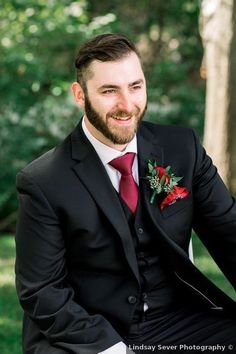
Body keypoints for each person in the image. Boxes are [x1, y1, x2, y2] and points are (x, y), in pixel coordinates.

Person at [15, 33, 236, 354]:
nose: (126, 105)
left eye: (135, 86)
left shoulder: (181, 149)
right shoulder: (43, 181)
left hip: (176, 323)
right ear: (80, 94)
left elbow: (229, 235)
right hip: (85, 333)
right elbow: (42, 292)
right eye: (109, 91)